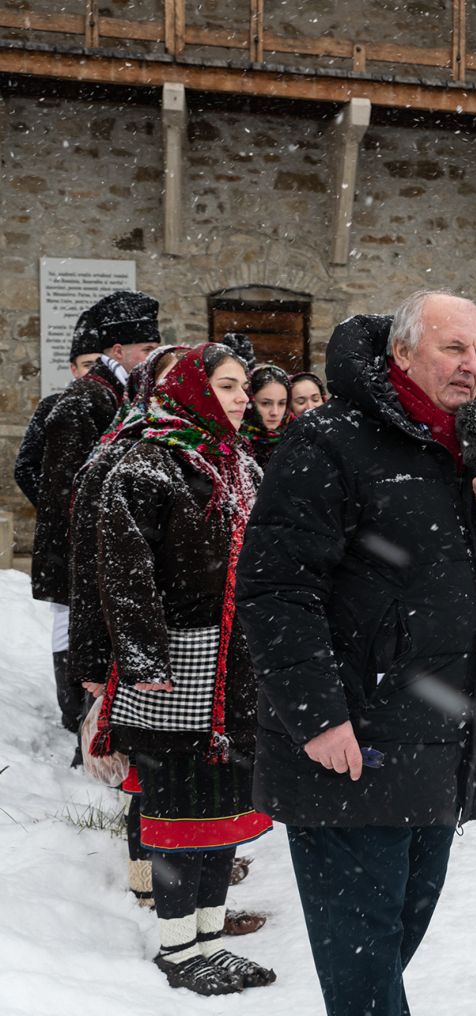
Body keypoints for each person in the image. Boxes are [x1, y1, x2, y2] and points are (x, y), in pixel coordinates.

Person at [237, 293, 476, 1016]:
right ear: (403, 355)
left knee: (388, 954)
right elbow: (275, 588)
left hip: (443, 748)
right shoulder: (331, 442)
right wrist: (318, 716)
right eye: (453, 348)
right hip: (355, 748)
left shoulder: (474, 442)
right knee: (367, 981)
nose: (471, 365)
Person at [86, 342, 274, 996]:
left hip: (236, 667)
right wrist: (140, 657)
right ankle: (176, 948)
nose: (242, 397)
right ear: (195, 388)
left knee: (222, 812)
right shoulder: (146, 464)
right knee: (175, 811)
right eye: (228, 385)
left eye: (244, 387)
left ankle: (212, 940)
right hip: (175, 665)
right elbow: (123, 571)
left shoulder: (241, 465)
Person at [67, 344, 184, 911]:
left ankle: (178, 872)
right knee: (147, 773)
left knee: (165, 769)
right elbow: (92, 573)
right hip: (127, 644)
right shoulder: (117, 456)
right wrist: (92, 663)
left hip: (168, 642)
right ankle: (148, 882)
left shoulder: (193, 453)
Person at [35, 289, 163, 734]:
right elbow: (64, 489)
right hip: (79, 549)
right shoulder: (85, 400)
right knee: (75, 631)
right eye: (147, 349)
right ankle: (78, 726)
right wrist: (89, 543)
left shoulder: (119, 394)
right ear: (118, 350)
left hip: (94, 547)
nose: (152, 357)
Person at [13, 317, 101, 509]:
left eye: (100, 365)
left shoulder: (123, 406)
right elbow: (25, 468)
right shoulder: (51, 406)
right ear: (74, 369)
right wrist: (55, 511)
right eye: (87, 365)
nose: (95, 372)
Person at [240, 365, 290, 467]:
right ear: (250, 400)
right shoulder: (235, 444)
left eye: (281, 403)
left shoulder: (296, 440)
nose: (275, 412)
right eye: (266, 403)